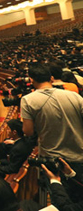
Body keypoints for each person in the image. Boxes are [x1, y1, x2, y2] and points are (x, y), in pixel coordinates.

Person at [21, 63, 83, 201]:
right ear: (52, 78)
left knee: (60, 199)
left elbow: (28, 131)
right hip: (79, 155)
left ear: (31, 80)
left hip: (53, 160)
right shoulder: (74, 96)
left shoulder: (28, 100)